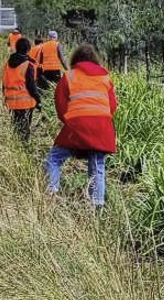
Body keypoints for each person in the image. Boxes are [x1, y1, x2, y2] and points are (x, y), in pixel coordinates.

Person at [45, 44, 117, 208]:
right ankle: (96, 206)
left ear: (75, 59)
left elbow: (61, 106)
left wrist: (71, 123)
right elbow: (112, 106)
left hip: (77, 128)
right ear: (94, 59)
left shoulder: (69, 77)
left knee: (54, 159)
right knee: (97, 166)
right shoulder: (105, 78)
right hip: (102, 129)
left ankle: (52, 193)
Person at [2, 38, 41, 142]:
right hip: (25, 103)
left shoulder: (7, 64)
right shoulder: (28, 65)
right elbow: (31, 86)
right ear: (28, 49)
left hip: (10, 102)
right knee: (25, 129)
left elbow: (4, 83)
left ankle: (15, 146)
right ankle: (24, 148)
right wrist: (38, 99)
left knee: (15, 126)